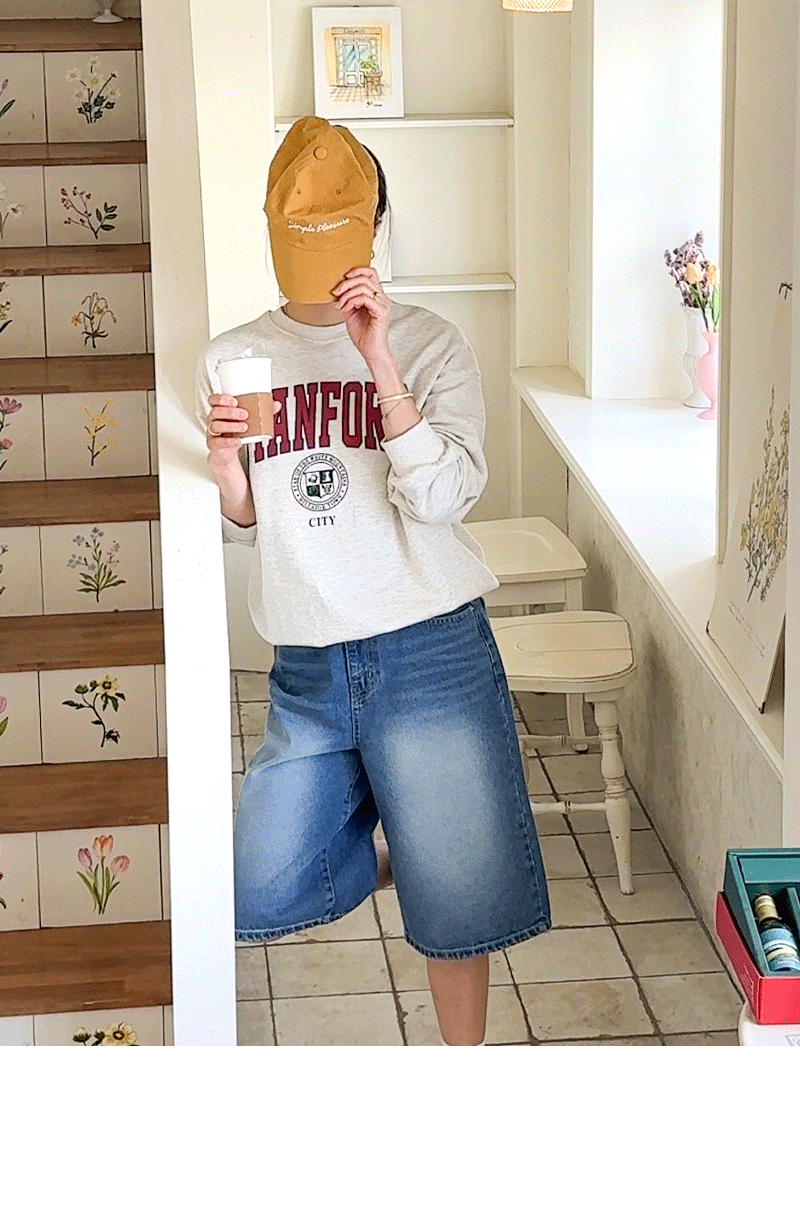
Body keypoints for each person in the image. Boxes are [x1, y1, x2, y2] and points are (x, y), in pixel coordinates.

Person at [195, 116, 551, 1045]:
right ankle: (413, 844)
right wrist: (228, 471)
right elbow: (249, 520)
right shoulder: (232, 357)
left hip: (430, 648)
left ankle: (462, 1075)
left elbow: (443, 497)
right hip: (310, 663)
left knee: (459, 910)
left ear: (374, 226)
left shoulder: (432, 344)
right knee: (255, 884)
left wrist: (379, 360)